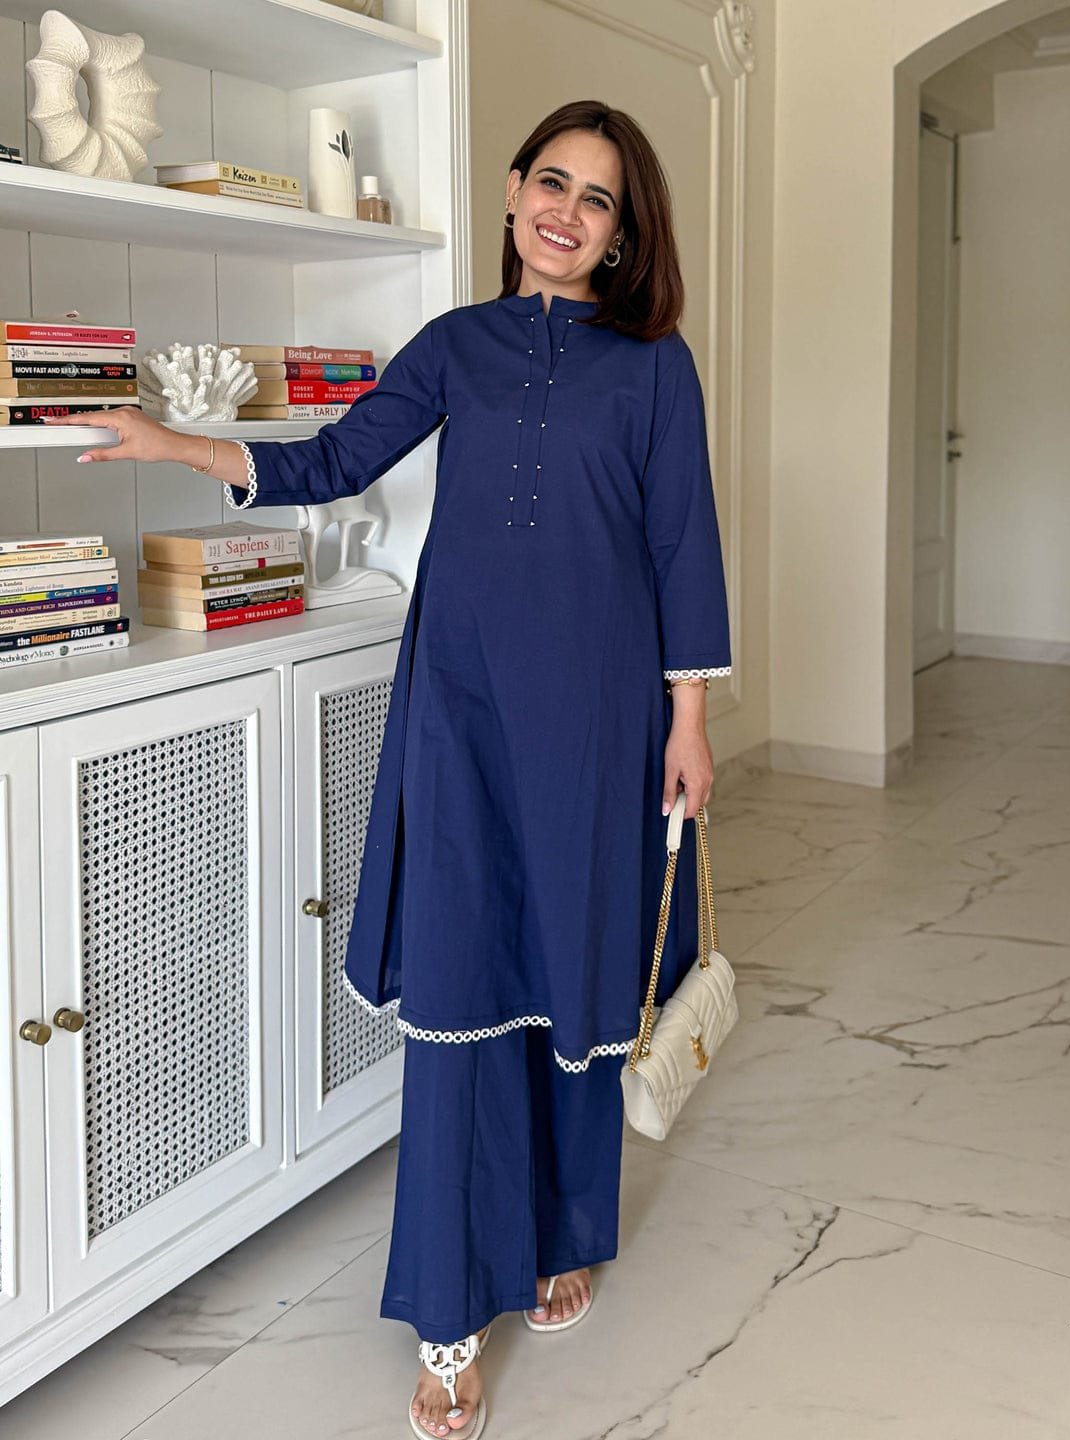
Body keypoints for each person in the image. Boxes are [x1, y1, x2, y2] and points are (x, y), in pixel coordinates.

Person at [44, 98, 731, 1440]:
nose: (566, 212)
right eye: (551, 182)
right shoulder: (456, 345)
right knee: (465, 986)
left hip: (600, 718)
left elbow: (682, 545)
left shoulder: (655, 366)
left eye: (597, 199)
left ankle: (563, 1233)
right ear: (514, 192)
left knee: (576, 975)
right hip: (462, 715)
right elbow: (333, 457)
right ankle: (447, 1315)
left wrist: (688, 720)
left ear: (621, 233)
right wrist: (178, 444)